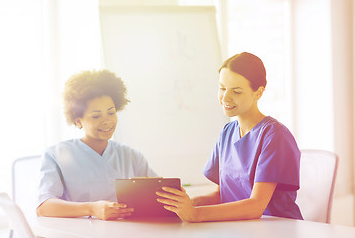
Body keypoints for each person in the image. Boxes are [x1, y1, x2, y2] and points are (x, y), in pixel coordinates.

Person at [156, 52, 303, 222]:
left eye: (237, 91)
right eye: (222, 88)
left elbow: (256, 206)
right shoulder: (227, 132)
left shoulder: (275, 136)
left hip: (277, 229)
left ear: (258, 93)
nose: (225, 97)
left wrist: (196, 214)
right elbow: (222, 195)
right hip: (241, 228)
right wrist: (184, 205)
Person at [36, 69, 157, 220]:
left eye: (111, 113)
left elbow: (161, 196)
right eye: (96, 116)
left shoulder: (132, 156)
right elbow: (44, 207)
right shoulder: (56, 155)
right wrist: (92, 208)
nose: (107, 121)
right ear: (78, 120)